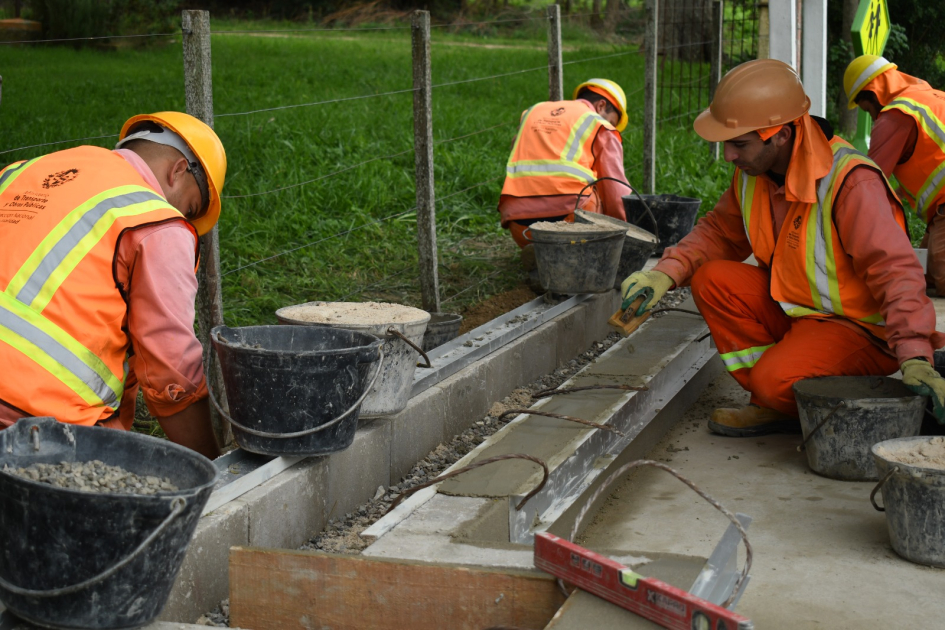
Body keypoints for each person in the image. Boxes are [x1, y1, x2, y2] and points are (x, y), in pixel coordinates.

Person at [619, 59, 945, 437]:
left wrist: (915, 355)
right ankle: (773, 400)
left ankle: (787, 395)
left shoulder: (851, 182)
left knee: (774, 381)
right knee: (712, 279)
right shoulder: (753, 174)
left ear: (782, 136)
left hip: (858, 330)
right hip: (799, 311)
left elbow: (896, 272)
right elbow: (721, 233)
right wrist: (664, 272)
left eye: (739, 144)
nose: (728, 156)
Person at [0, 112, 227, 459]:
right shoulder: (155, 219)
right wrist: (214, 471)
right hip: (32, 419)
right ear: (178, 170)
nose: (185, 220)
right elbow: (173, 375)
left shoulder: (20, 172)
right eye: (191, 208)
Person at [844, 55, 945, 294]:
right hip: (940, 210)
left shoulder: (895, 116)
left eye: (867, 110)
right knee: (924, 272)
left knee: (941, 276)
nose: (872, 117)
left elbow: (867, 183)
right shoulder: (930, 95)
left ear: (873, 93)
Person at [497, 79, 633, 256]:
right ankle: (571, 253)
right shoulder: (599, 124)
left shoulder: (533, 112)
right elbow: (615, 190)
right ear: (601, 105)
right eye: (613, 121)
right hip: (571, 225)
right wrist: (624, 232)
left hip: (519, 226)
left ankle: (542, 253)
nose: (611, 126)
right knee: (601, 187)